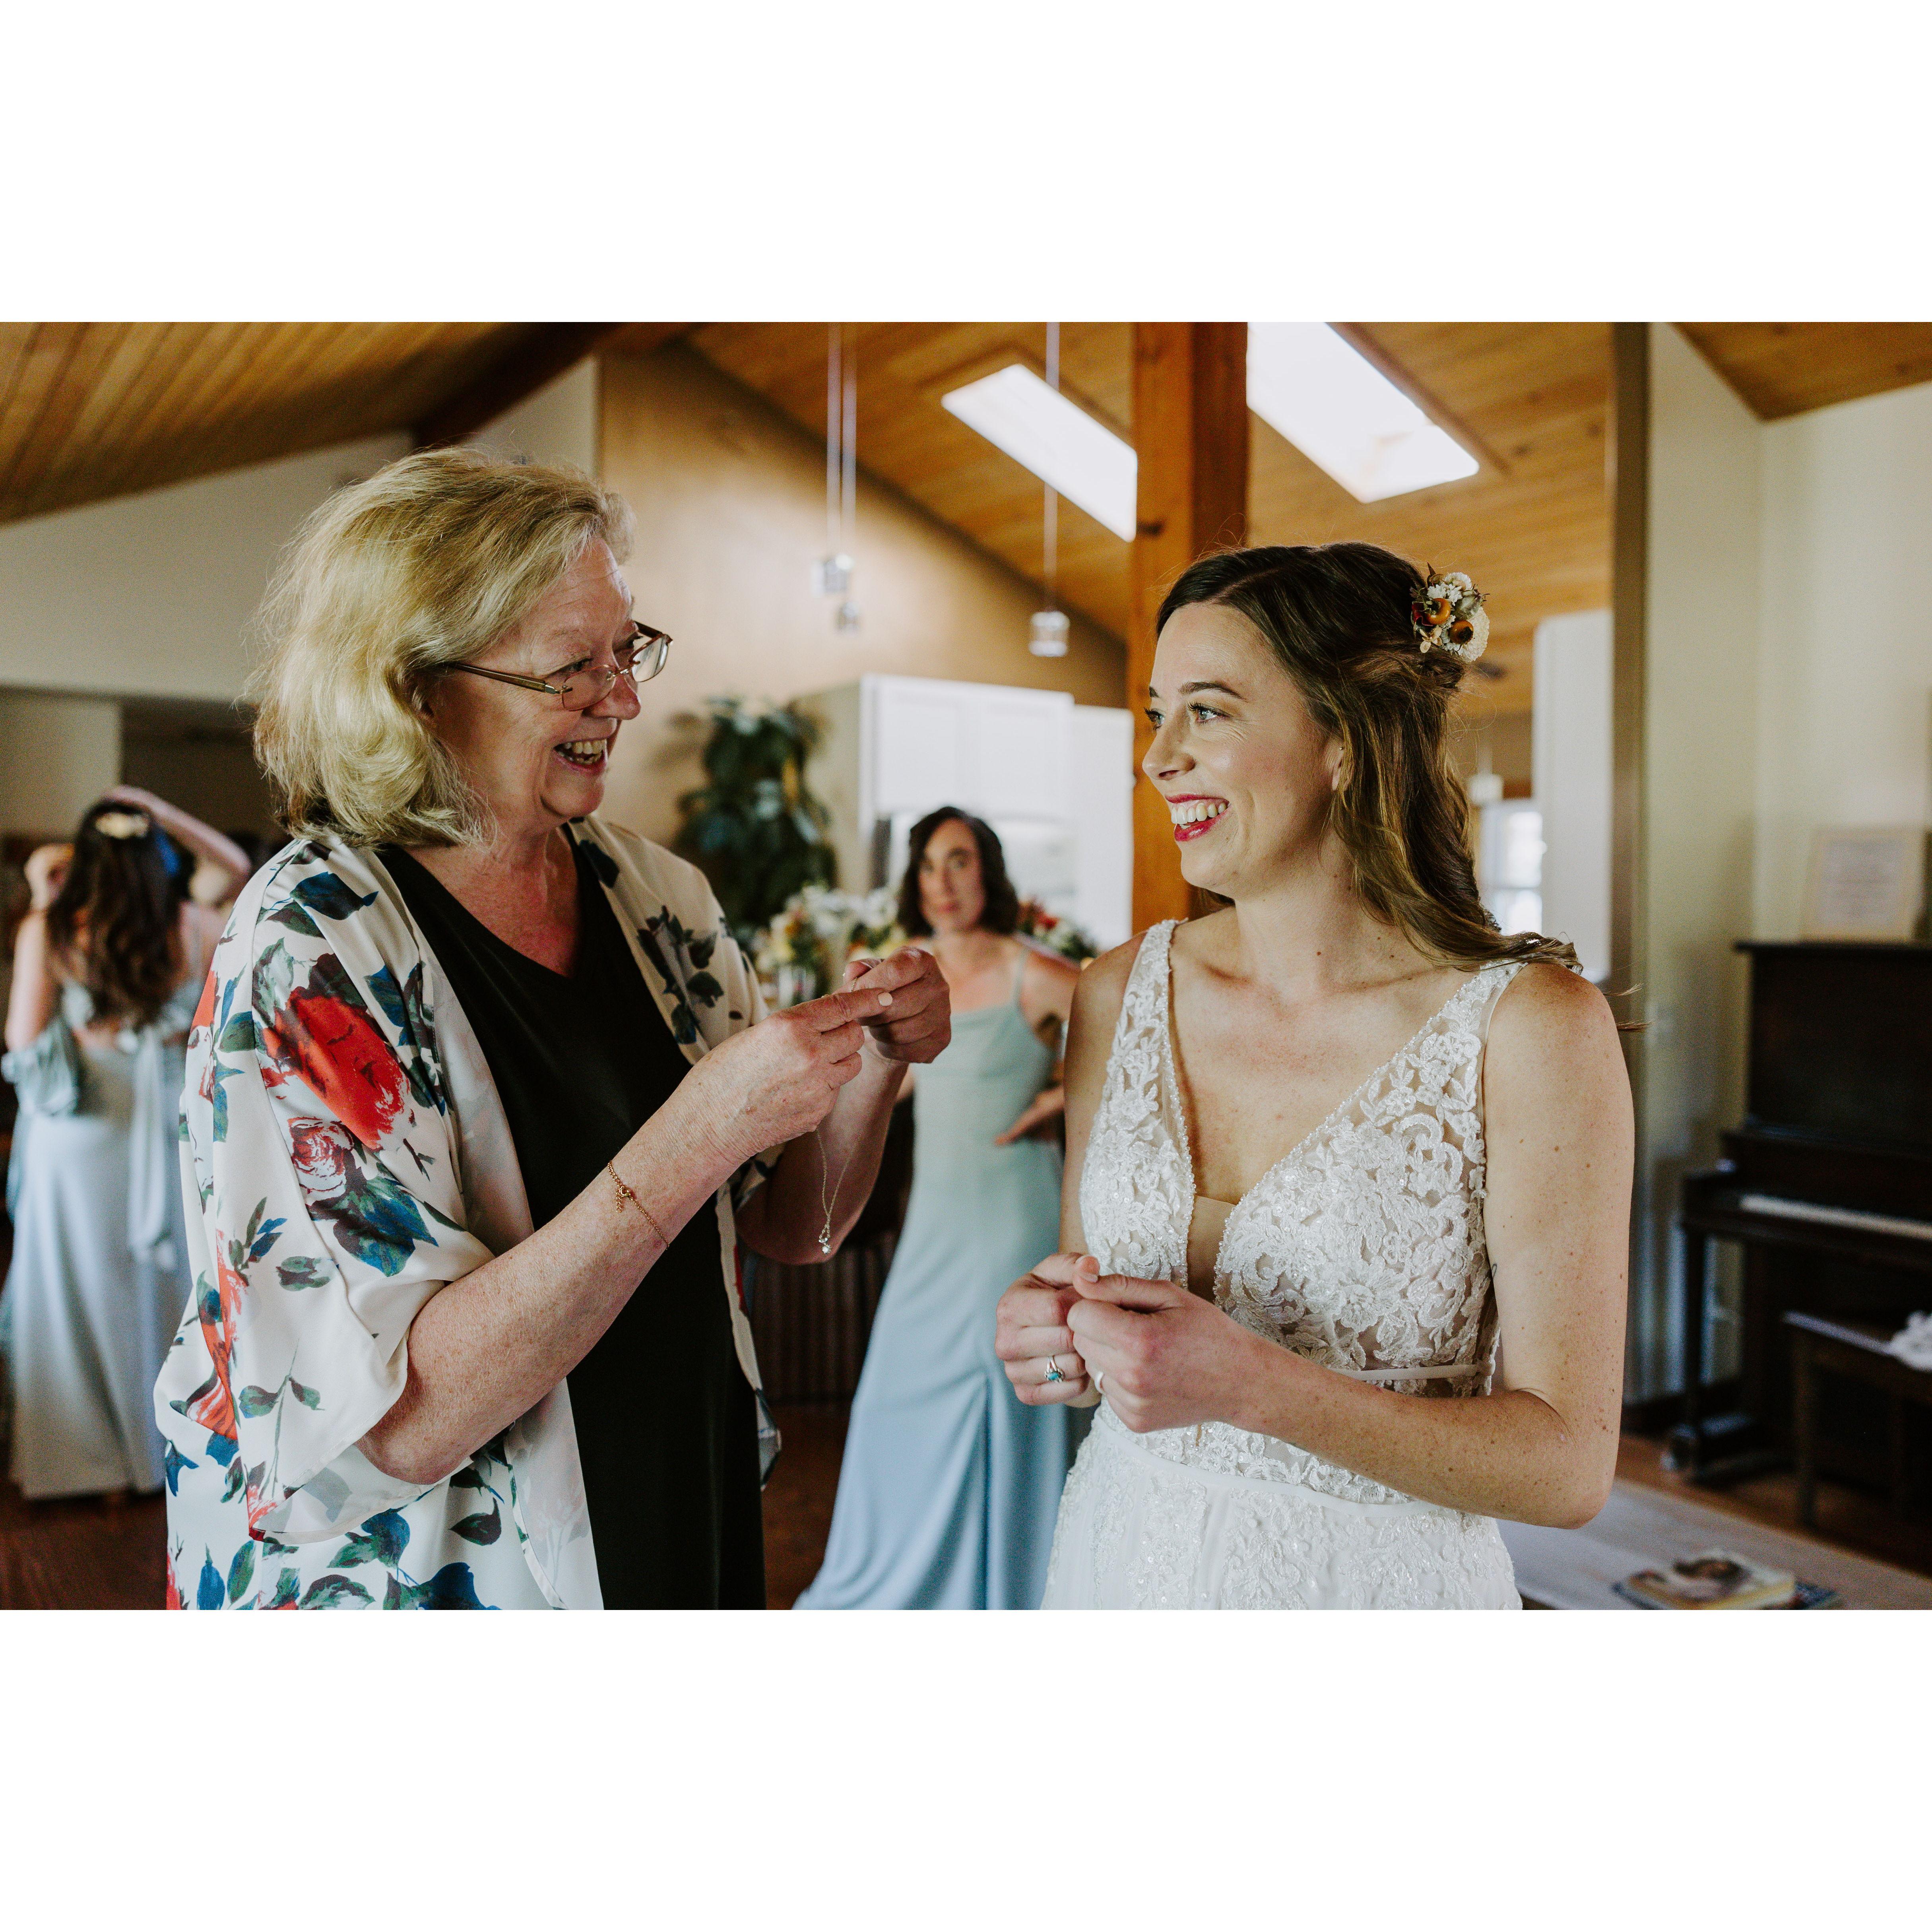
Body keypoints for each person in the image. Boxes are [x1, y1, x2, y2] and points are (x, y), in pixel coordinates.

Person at [155, 447, 949, 1611]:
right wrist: (694, 1133)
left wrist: (876, 1063)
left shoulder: (656, 898)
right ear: (418, 688)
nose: (623, 698)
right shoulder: (310, 947)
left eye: (626, 650)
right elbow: (403, 1418)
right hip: (441, 1570)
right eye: (571, 667)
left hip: (676, 1499)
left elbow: (793, 1225)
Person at [995, 544, 1632, 1609]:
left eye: (1206, 711)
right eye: (1158, 713)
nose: (1157, 757)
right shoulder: (1116, 995)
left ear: (1341, 739)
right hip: (1117, 1569)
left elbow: (1568, 1468)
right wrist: (1050, 1346)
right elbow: (1092, 1353)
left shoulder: (1524, 1029)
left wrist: (1256, 1386)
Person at [798, 809, 1080, 1609]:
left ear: (986, 870)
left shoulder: (1035, 972)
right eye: (928, 865)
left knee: (1005, 1381)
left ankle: (1013, 1583)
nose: (944, 881)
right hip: (934, 1227)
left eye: (959, 861)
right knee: (900, 1392)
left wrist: (1065, 1099)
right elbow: (889, 1087)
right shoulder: (906, 980)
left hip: (1012, 1219)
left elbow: (1141, 1039)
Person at [4, 788, 249, 1499]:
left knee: (74, 1295)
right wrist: (150, 805)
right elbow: (232, 863)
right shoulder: (198, 924)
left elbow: (22, 1040)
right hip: (163, 1132)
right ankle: (167, 1455)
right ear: (157, 856)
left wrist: (40, 887)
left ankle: (86, 1465)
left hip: (77, 1137)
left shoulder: (51, 930)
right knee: (163, 1292)